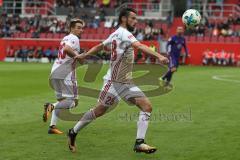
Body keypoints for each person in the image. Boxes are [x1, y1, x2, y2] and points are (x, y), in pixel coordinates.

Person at [67, 8, 169, 153]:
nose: (135, 21)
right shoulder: (124, 33)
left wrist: (85, 55)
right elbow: (139, 46)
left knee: (147, 106)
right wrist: (159, 56)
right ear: (123, 19)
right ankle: (73, 131)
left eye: (136, 19)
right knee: (99, 110)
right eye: (132, 18)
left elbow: (100, 46)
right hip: (113, 81)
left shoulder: (115, 33)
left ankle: (139, 143)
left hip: (125, 81)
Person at [42, 18, 85, 134]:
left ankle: (52, 126)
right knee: (73, 102)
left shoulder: (65, 38)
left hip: (55, 71)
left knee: (62, 100)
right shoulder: (74, 38)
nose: (81, 30)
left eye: (82, 28)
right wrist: (78, 56)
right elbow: (67, 49)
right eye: (78, 28)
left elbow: (65, 49)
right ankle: (51, 106)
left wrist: (78, 56)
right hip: (66, 73)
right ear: (72, 28)